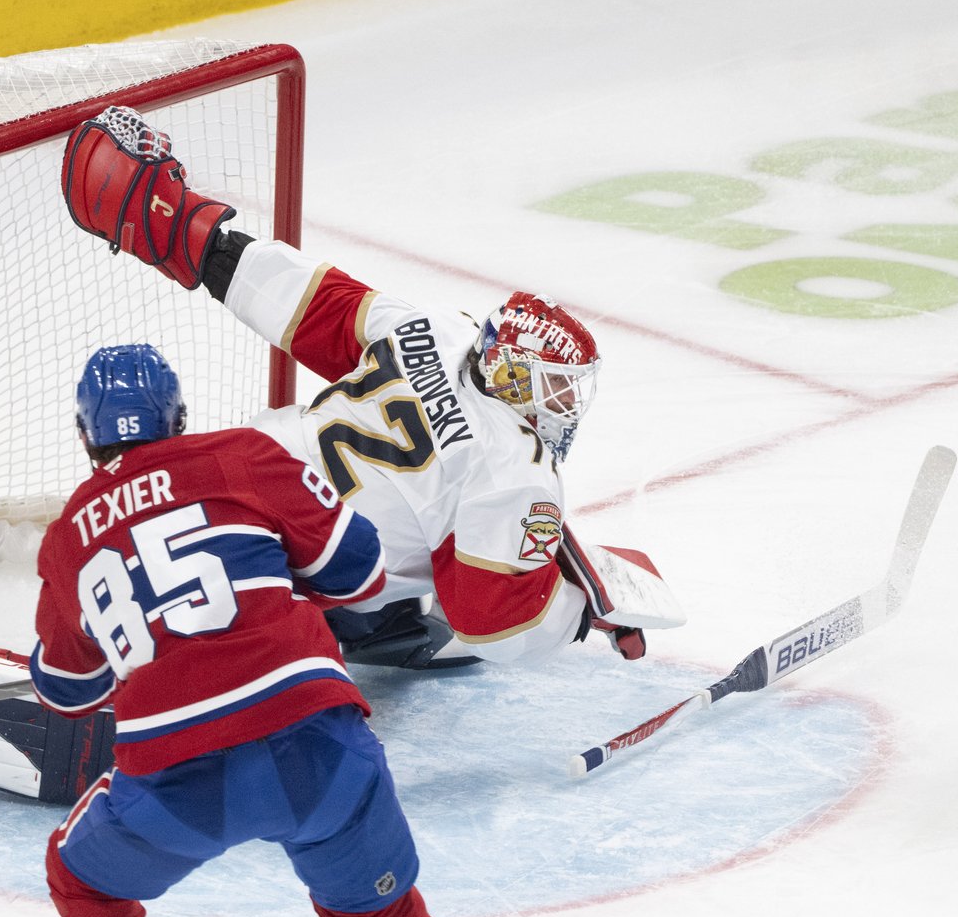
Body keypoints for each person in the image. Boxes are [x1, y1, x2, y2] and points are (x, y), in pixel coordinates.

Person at [63, 105, 669, 671]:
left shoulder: (439, 330)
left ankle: (361, 620)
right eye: (558, 389)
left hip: (237, 458)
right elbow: (494, 624)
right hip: (290, 556)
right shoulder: (517, 469)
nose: (564, 406)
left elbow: (314, 306)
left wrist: (203, 241)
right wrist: (580, 614)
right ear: (515, 379)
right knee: (219, 635)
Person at [37, 344, 432, 917]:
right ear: (179, 419)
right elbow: (362, 569)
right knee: (379, 915)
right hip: (317, 743)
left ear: (83, 434)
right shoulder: (241, 454)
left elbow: (68, 692)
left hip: (178, 780)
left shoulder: (67, 537)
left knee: (81, 885)